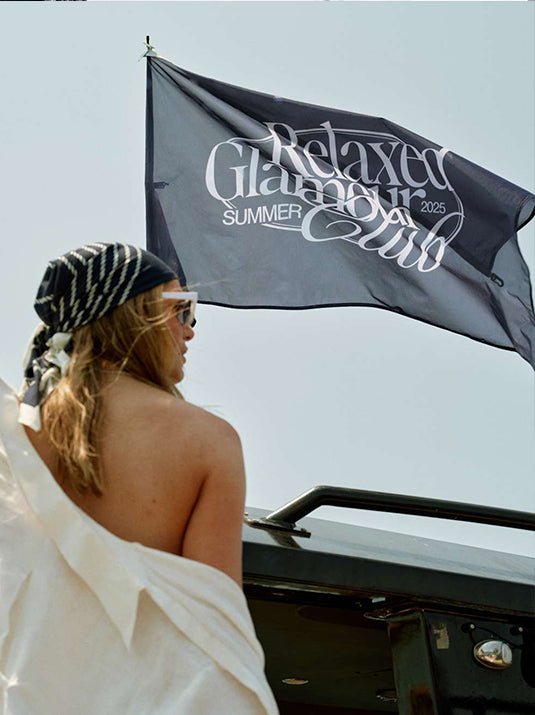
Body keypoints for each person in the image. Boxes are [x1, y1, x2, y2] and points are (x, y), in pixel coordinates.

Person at [0, 242, 279, 714]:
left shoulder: (13, 431)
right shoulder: (208, 440)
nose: (190, 330)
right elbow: (218, 632)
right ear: (136, 313)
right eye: (181, 309)